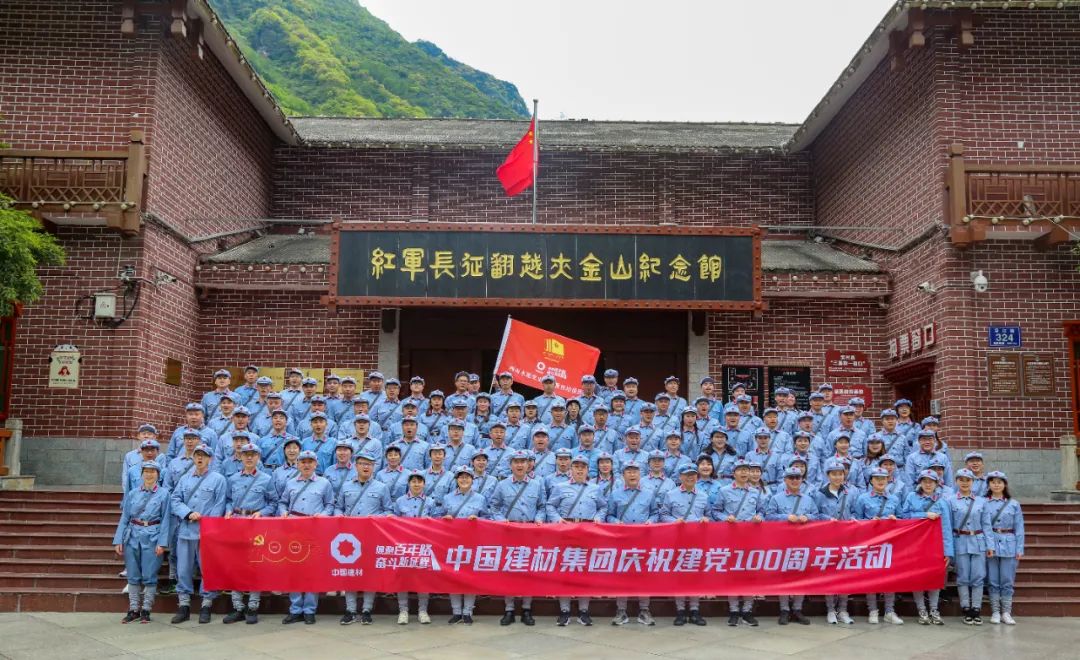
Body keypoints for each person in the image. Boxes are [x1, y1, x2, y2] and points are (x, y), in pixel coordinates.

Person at [170, 444, 227, 625]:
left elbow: (219, 504)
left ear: (210, 459)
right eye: (197, 455)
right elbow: (175, 500)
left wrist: (208, 523)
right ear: (193, 458)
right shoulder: (185, 479)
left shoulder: (218, 479)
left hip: (206, 532)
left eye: (204, 455)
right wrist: (188, 513)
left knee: (207, 569)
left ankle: (206, 605)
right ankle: (184, 605)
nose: (200, 458)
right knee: (183, 569)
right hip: (186, 530)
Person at [488, 449, 546, 625]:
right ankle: (509, 609)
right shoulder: (502, 485)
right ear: (510, 465)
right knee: (509, 571)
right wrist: (500, 520)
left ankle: (527, 609)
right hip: (509, 532)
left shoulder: (537, 484)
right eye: (516, 462)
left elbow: (542, 506)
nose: (520, 465)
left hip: (530, 532)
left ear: (529, 465)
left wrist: (539, 519)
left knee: (528, 571)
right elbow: (493, 506)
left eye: (523, 462)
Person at [547, 455, 605, 626]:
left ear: (587, 470)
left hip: (588, 532)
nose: (579, 470)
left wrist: (598, 517)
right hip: (566, 531)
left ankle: (584, 611)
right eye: (576, 466)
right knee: (564, 570)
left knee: (585, 571)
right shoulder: (560, 487)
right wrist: (557, 519)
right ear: (570, 469)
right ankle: (564, 610)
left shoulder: (595, 488)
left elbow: (603, 506)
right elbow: (550, 506)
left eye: (583, 467)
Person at [222, 443, 276, 624]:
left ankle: (253, 606)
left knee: (255, 565)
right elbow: (228, 499)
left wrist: (262, 513)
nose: (249, 457)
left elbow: (273, 503)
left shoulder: (266, 479)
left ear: (258, 457)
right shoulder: (233, 479)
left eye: (253, 454)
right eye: (246, 454)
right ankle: (237, 606)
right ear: (241, 457)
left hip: (256, 526)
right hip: (237, 524)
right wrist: (228, 510)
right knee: (236, 565)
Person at [279, 450, 335, 624]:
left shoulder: (324, 483)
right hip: (294, 530)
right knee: (294, 570)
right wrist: (283, 513)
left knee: (312, 570)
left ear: (316, 464)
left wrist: (322, 516)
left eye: (310, 462)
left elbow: (330, 505)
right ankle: (295, 609)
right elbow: (283, 503)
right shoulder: (290, 483)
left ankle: (310, 609)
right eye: (303, 462)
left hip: (314, 530)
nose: (306, 465)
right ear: (297, 464)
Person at [337, 448, 392, 625]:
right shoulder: (346, 486)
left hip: (371, 536)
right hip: (349, 537)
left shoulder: (381, 487)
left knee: (369, 573)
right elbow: (338, 507)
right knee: (350, 573)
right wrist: (340, 516)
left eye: (369, 464)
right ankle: (350, 610)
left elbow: (388, 511)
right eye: (362, 464)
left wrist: (375, 518)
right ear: (356, 466)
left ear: (374, 467)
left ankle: (367, 609)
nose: (366, 467)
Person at [113, 461, 171, 624]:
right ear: (142, 474)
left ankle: (146, 609)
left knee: (149, 575)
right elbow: (125, 517)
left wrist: (162, 542)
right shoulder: (133, 494)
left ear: (158, 475)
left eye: (153, 471)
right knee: (133, 574)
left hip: (153, 535)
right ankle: (133, 609)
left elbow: (166, 520)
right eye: (146, 471)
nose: (149, 474)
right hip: (132, 535)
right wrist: (118, 539)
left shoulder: (164, 494)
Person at [714, 459, 765, 627]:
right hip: (731, 537)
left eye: (746, 470)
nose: (744, 473)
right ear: (733, 473)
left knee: (750, 573)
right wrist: (725, 518)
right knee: (733, 574)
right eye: (740, 470)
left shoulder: (755, 492)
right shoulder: (724, 491)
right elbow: (715, 511)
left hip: (751, 537)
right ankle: (734, 610)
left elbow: (762, 511)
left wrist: (759, 518)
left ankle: (747, 611)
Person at [765, 467, 819, 625]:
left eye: (798, 477)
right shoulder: (776, 498)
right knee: (784, 576)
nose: (795, 480)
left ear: (802, 480)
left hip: (803, 542)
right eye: (791, 477)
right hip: (783, 542)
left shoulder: (808, 499)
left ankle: (797, 608)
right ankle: (784, 609)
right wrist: (785, 517)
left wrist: (807, 517)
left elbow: (817, 516)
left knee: (801, 575)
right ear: (785, 480)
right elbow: (769, 516)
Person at [607, 461, 658, 626]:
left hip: (644, 539)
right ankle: (621, 610)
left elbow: (655, 513)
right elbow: (609, 515)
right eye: (628, 471)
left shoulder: (649, 493)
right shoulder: (615, 494)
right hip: (622, 539)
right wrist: (616, 522)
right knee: (622, 574)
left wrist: (651, 521)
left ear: (640, 474)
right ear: (623, 475)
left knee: (644, 574)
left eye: (635, 471)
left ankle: (644, 610)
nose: (632, 474)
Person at [853, 468, 904, 625]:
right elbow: (855, 519)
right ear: (871, 481)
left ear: (888, 480)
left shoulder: (894, 499)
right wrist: (869, 522)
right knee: (871, 576)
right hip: (871, 543)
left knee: (890, 577)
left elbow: (903, 518)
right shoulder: (863, 498)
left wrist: (895, 519)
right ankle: (873, 610)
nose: (881, 481)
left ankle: (889, 611)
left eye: (884, 478)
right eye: (877, 478)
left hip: (890, 544)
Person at [902, 469, 952, 625]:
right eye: (925, 481)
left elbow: (946, 527)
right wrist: (924, 515)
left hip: (935, 546)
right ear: (920, 483)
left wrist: (948, 551)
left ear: (937, 484)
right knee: (917, 577)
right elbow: (904, 517)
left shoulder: (942, 501)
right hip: (915, 544)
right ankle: (921, 610)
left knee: (934, 577)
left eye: (931, 482)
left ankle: (934, 610)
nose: (928, 484)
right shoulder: (911, 497)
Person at [660, 464, 709, 626]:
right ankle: (680, 610)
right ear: (680, 477)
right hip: (678, 540)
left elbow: (709, 514)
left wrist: (706, 519)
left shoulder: (703, 495)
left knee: (695, 574)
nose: (690, 477)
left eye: (693, 474)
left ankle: (695, 610)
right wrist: (674, 521)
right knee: (679, 575)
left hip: (697, 541)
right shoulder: (671, 494)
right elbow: (663, 515)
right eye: (687, 475)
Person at [812, 458, 859, 625]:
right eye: (834, 474)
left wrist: (853, 518)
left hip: (847, 537)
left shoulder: (851, 492)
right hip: (828, 538)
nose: (837, 477)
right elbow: (815, 514)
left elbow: (855, 511)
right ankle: (831, 609)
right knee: (830, 574)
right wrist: (827, 519)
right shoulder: (820, 493)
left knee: (845, 574)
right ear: (828, 475)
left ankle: (843, 609)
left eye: (840, 474)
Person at [438, 466, 487, 625]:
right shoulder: (447, 498)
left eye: (467, 477)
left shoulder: (480, 498)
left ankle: (467, 612)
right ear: (456, 480)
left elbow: (488, 517)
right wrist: (445, 518)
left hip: (472, 542)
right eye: (461, 477)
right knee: (453, 576)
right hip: (452, 542)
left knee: (470, 577)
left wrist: (478, 520)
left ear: (473, 480)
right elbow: (438, 516)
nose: (464, 479)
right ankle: (456, 611)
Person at [393, 470, 434, 624]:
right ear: (409, 484)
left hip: (424, 545)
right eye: (413, 481)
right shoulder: (400, 501)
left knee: (423, 578)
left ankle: (422, 610)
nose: (416, 484)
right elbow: (393, 520)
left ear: (424, 484)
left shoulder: (430, 502)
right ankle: (403, 610)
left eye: (419, 481)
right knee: (403, 578)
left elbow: (437, 523)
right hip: (404, 545)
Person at [983, 470, 1024, 625]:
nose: (996, 485)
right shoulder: (984, 502)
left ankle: (1006, 612)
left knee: (1007, 580)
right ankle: (995, 611)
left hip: (1009, 543)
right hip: (991, 542)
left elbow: (1019, 527)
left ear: (1005, 484)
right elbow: (985, 526)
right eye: (993, 482)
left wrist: (1019, 548)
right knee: (993, 579)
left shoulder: (1014, 504)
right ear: (988, 485)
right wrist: (989, 545)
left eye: (999, 482)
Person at [950, 467, 990, 625]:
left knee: (978, 577)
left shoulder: (981, 501)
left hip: (978, 540)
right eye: (961, 480)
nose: (965, 483)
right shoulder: (950, 501)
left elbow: (986, 525)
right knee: (963, 576)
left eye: (968, 480)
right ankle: (966, 608)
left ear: (973, 482)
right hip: (960, 540)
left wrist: (990, 545)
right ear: (956, 481)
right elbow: (948, 526)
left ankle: (976, 608)